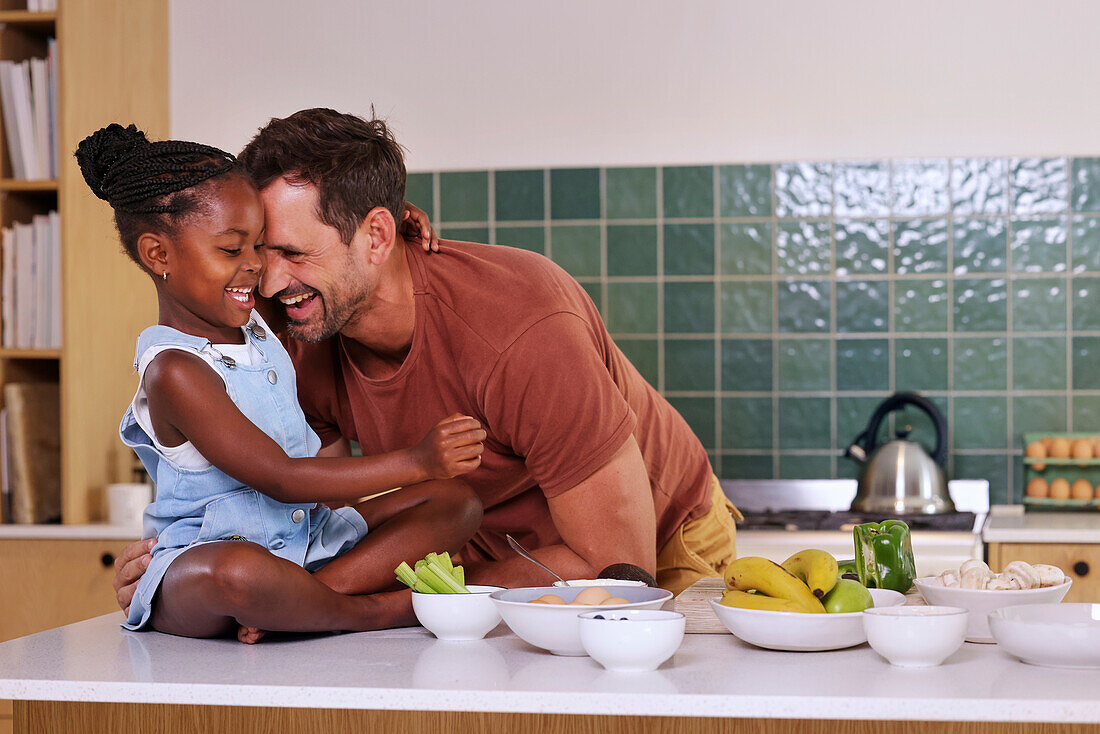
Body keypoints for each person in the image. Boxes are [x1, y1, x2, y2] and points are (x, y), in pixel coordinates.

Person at [113, 108, 741, 627]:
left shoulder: (522, 330)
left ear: (379, 237)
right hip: (470, 550)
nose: (268, 280)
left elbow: (616, 569)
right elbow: (305, 511)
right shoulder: (294, 330)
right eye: (252, 250)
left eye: (292, 252)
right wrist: (182, 582)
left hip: (649, 547)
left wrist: (385, 600)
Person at [78, 123, 486, 643]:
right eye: (233, 250)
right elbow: (280, 477)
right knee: (236, 572)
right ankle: (372, 611)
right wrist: (417, 461)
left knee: (456, 502)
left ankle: (299, 603)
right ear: (159, 256)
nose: (258, 269)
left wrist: (383, 222)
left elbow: (329, 252)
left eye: (261, 246)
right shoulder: (174, 370)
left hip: (305, 538)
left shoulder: (250, 319)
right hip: (209, 558)